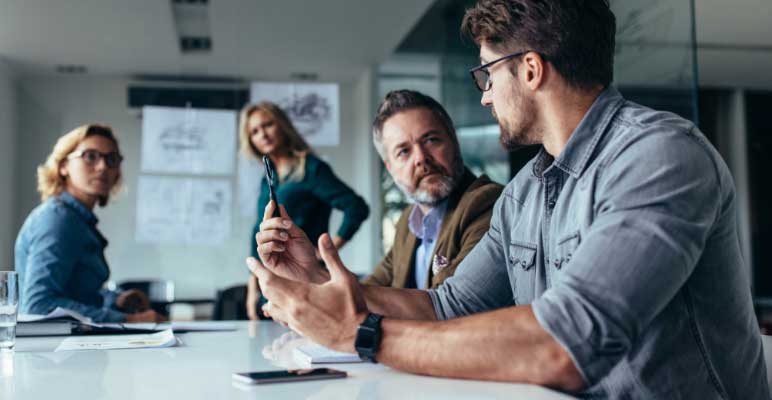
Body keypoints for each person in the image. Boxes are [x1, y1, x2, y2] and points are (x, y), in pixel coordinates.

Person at [247, 0, 769, 398]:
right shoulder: (523, 194)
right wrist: (317, 278)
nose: (484, 94)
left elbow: (565, 343)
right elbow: (445, 306)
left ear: (531, 69)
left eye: (487, 73)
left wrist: (363, 335)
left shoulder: (659, 155)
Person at [259, 90, 503, 292]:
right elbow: (369, 291)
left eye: (431, 140)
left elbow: (447, 304)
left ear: (454, 143)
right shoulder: (409, 221)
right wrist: (309, 272)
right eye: (403, 152)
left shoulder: (487, 204)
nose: (420, 158)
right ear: (391, 167)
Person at [15, 124, 164, 323]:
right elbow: (38, 306)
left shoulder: (77, 220)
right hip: (55, 351)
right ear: (63, 166)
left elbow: (74, 295)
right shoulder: (59, 219)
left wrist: (115, 300)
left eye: (111, 159)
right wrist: (127, 320)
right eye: (90, 156)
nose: (103, 167)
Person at [240, 102, 370, 320]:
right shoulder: (268, 178)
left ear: (282, 125)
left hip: (302, 280)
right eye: (254, 131)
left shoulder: (312, 169)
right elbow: (259, 230)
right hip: (269, 284)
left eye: (267, 125)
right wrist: (253, 287)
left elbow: (356, 207)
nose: (262, 134)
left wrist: (326, 253)